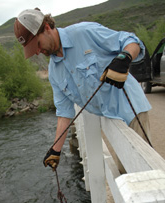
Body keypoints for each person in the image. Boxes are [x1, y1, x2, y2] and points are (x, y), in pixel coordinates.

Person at [14, 8, 151, 172]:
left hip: (132, 113)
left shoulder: (84, 32)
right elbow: (64, 113)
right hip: (112, 120)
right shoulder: (54, 73)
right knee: (126, 174)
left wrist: (125, 57)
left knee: (142, 173)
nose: (37, 52)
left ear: (46, 28)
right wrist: (55, 150)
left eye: (37, 44)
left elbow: (131, 41)